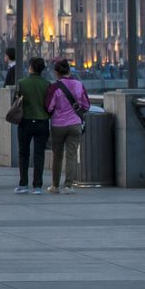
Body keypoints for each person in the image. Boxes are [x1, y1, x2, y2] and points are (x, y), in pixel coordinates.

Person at [46, 60, 91, 194]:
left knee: (57, 155)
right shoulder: (79, 85)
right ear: (69, 71)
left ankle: (55, 186)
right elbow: (86, 105)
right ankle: (68, 186)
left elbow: (49, 107)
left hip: (58, 125)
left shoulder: (54, 88)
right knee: (71, 155)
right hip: (75, 124)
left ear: (56, 73)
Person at [11, 55, 54, 194]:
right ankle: (37, 186)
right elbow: (49, 105)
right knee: (39, 154)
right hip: (42, 122)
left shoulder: (22, 83)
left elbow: (16, 102)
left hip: (26, 122)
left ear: (30, 67)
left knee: (24, 153)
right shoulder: (47, 84)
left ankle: (23, 184)